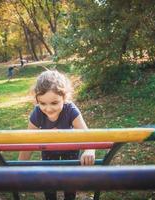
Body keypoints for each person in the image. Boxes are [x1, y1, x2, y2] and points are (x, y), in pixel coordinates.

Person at [18, 70, 95, 200]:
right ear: (37, 100)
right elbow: (28, 143)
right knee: (48, 182)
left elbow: (86, 134)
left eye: (54, 103)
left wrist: (90, 150)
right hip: (48, 150)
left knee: (70, 182)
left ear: (64, 98)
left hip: (70, 149)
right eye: (42, 103)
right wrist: (19, 167)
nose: (48, 109)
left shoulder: (71, 110)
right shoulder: (37, 113)